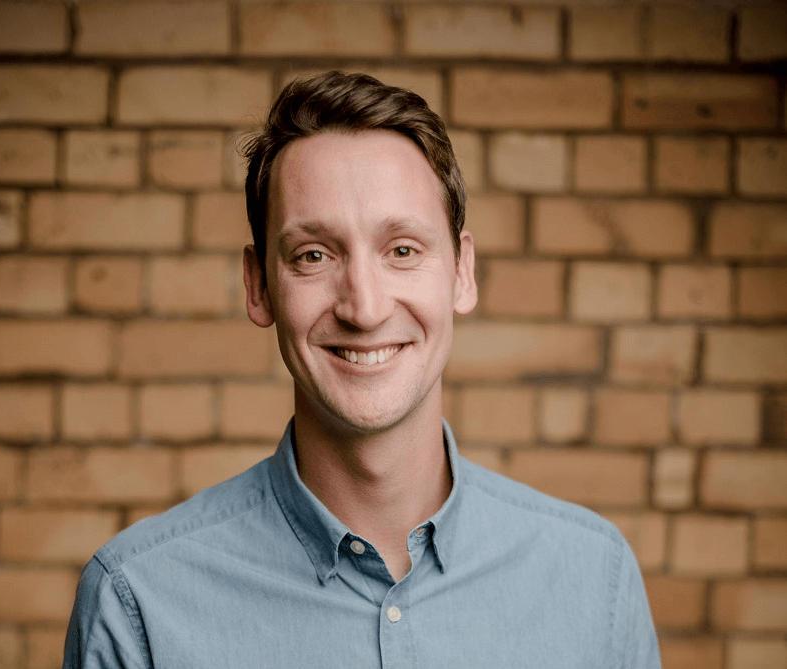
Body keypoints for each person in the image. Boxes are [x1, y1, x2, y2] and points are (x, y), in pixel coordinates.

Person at [64, 71, 660, 668]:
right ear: (258, 286)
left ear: (461, 272)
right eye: (314, 255)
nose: (365, 308)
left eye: (402, 250)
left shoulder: (595, 581)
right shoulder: (138, 601)